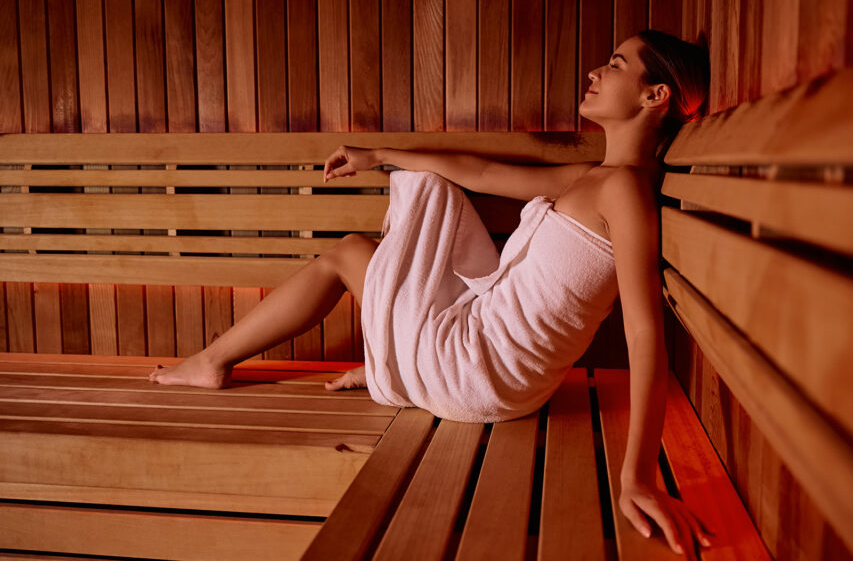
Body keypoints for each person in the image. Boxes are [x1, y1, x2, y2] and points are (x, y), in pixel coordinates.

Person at [148, 29, 711, 555]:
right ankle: (391, 361)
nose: (595, 70)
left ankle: (212, 361)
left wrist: (636, 476)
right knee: (424, 196)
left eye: (615, 65)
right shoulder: (597, 178)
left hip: (478, 372)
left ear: (654, 95)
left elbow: (643, 332)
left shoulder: (626, 193)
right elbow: (484, 173)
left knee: (348, 251)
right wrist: (383, 156)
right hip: (494, 368)